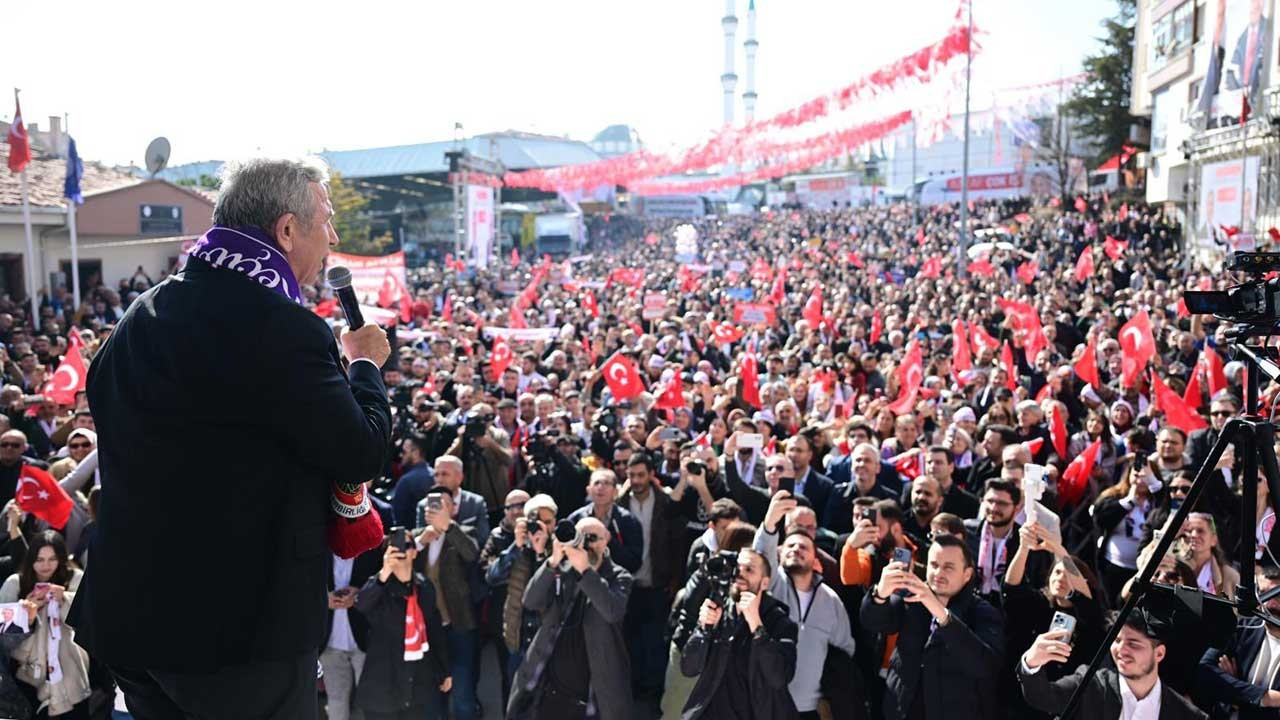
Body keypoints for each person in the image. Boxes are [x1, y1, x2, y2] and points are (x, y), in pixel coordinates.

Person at [70, 157, 394, 718]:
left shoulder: (137, 319)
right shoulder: (284, 330)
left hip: (130, 620)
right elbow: (360, 449)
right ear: (287, 230)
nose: (335, 238)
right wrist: (363, 366)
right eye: (328, 220)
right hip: (239, 639)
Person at [861, 534, 1004, 720]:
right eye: (934, 565)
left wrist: (942, 615)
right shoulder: (911, 598)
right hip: (902, 710)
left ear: (967, 574)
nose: (938, 573)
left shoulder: (983, 612)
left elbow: (986, 665)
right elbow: (873, 623)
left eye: (948, 567)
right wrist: (879, 594)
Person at [507, 516, 634, 720]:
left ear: (606, 540)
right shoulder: (562, 571)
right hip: (550, 692)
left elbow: (612, 611)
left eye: (593, 538)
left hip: (591, 698)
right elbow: (530, 601)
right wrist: (552, 562)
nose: (587, 544)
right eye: (580, 538)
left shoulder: (619, 577)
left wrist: (585, 571)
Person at [680, 547, 799, 720]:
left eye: (749, 570)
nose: (739, 574)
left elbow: (779, 677)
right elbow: (688, 668)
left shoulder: (780, 623)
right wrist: (703, 629)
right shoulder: (718, 609)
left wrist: (757, 626)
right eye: (737, 568)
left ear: (765, 583)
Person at [754, 516, 856, 719]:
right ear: (780, 553)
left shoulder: (831, 600)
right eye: (790, 545)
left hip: (810, 709)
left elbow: (845, 649)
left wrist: (830, 694)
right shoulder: (770, 585)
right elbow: (761, 553)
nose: (795, 549)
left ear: (815, 559)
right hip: (765, 703)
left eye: (803, 547)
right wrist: (769, 524)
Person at [1020, 610, 1206, 720]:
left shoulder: (1187, 715)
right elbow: (1042, 697)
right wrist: (1032, 661)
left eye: (1133, 643)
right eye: (1117, 640)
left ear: (1159, 653)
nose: (1121, 650)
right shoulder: (1091, 685)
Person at [353, 529, 451, 720]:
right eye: (394, 547)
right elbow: (361, 604)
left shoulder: (424, 587)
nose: (401, 551)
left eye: (407, 546)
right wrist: (383, 573)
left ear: (415, 552)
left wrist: (445, 670)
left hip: (416, 682)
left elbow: (434, 630)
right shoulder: (380, 586)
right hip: (383, 685)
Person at [2, 531, 89, 719]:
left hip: (70, 672)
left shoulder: (74, 579)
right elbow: (3, 636)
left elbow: (89, 618)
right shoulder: (14, 584)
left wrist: (65, 599)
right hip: (27, 676)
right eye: (39, 559)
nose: (45, 566)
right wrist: (26, 616)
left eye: (52, 559)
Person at [414, 487, 480, 720]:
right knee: (432, 695)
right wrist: (421, 541)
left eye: (441, 505)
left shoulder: (464, 532)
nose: (435, 510)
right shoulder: (417, 537)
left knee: (462, 692)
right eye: (432, 505)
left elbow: (472, 554)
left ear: (452, 509)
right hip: (427, 628)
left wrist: (448, 526)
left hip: (458, 624)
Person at [320, 544, 384, 720]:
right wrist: (324, 600)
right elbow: (305, 585)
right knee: (336, 701)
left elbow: (382, 585)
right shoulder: (320, 550)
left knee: (370, 702)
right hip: (330, 643)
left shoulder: (370, 550)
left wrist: (358, 596)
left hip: (364, 641)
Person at [567, 469, 643, 574]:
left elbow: (634, 563)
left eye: (606, 483)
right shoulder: (577, 519)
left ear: (615, 491)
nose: (600, 487)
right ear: (588, 490)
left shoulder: (627, 520)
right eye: (596, 483)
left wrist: (610, 541)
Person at [964, 479, 1026, 607]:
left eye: (1002, 503)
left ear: (1017, 508)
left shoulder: (1025, 540)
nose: (994, 508)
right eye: (990, 501)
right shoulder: (967, 532)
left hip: (1009, 609)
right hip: (971, 605)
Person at [393, 433, 436, 527]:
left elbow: (398, 519)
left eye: (404, 452)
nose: (400, 455)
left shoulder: (406, 481)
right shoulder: (436, 476)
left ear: (416, 453)